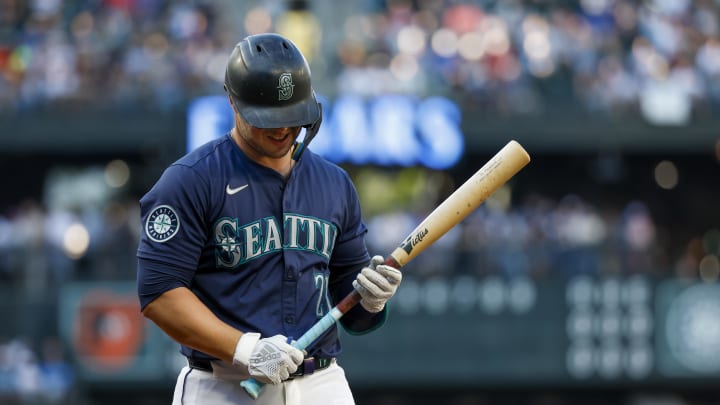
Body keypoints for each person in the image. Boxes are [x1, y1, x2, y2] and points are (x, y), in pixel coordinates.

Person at [136, 33, 402, 405]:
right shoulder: (190, 179)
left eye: (292, 117)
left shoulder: (334, 183)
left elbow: (350, 305)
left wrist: (371, 300)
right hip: (225, 383)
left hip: (321, 383)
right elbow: (159, 294)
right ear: (232, 99)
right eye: (267, 119)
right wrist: (245, 349)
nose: (281, 129)